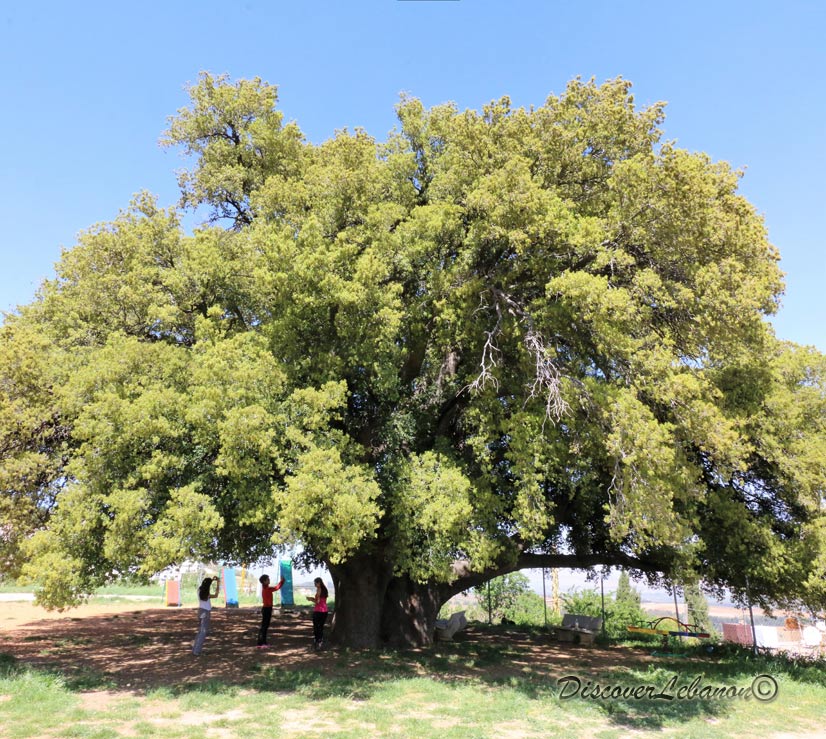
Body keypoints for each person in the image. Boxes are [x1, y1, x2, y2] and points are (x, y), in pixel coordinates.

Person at [192, 575, 220, 656]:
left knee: (200, 631)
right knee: (203, 632)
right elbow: (216, 595)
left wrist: (212, 580)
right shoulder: (206, 594)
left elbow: (205, 585)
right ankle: (197, 651)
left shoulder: (200, 590)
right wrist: (217, 582)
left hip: (200, 611)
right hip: (206, 612)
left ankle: (195, 649)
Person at [257, 573, 285, 648]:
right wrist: (282, 581)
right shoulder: (267, 589)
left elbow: (276, 588)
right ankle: (262, 643)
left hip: (266, 609)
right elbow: (276, 588)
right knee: (265, 626)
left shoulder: (265, 589)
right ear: (264, 581)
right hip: (267, 609)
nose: (269, 580)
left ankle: (261, 642)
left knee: (264, 626)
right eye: (267, 579)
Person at [306, 577, 329, 649]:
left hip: (318, 611)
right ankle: (320, 641)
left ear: (319, 583)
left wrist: (311, 599)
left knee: (316, 627)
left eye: (315, 583)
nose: (314, 584)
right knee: (321, 627)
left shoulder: (319, 589)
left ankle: (317, 640)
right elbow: (322, 600)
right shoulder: (325, 590)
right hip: (324, 611)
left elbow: (317, 602)